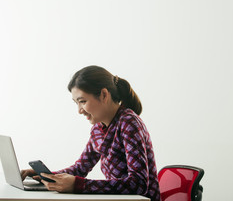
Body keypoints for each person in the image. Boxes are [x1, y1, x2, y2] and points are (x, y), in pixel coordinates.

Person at [21, 65, 160, 201]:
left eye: (82, 101)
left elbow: (139, 184)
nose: (79, 110)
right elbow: (80, 168)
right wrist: (49, 175)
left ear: (104, 95)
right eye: (76, 103)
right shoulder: (97, 130)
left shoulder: (129, 123)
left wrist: (79, 185)